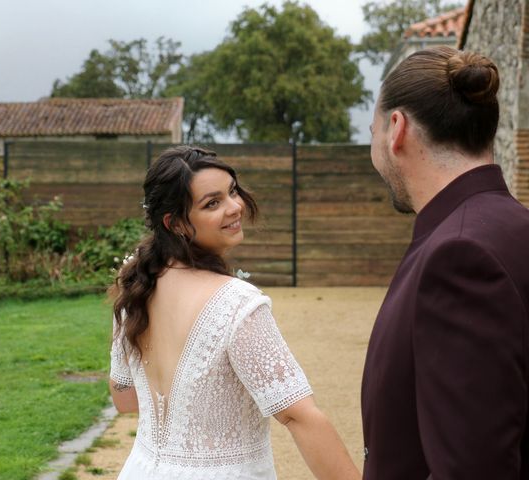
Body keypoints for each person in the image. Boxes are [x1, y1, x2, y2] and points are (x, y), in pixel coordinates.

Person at [109, 145, 360, 480]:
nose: (235, 207)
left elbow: (125, 399)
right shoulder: (236, 302)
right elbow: (299, 416)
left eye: (232, 192)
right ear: (176, 223)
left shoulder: (137, 286)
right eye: (212, 203)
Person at [362, 45, 529, 479]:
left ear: (395, 129)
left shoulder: (458, 255)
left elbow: (473, 469)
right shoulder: (513, 228)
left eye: (372, 129)